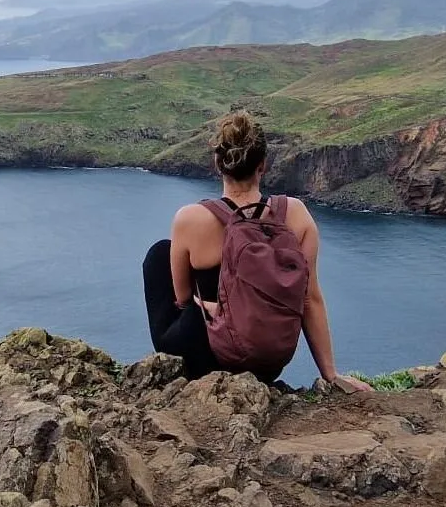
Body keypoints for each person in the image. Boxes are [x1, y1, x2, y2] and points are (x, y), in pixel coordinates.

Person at [141, 111, 372, 392]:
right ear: (263, 165)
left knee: (159, 254)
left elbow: (183, 300)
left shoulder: (191, 219)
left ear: (218, 164)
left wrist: (213, 307)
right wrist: (331, 374)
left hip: (207, 358)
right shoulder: (297, 215)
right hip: (268, 362)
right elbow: (310, 300)